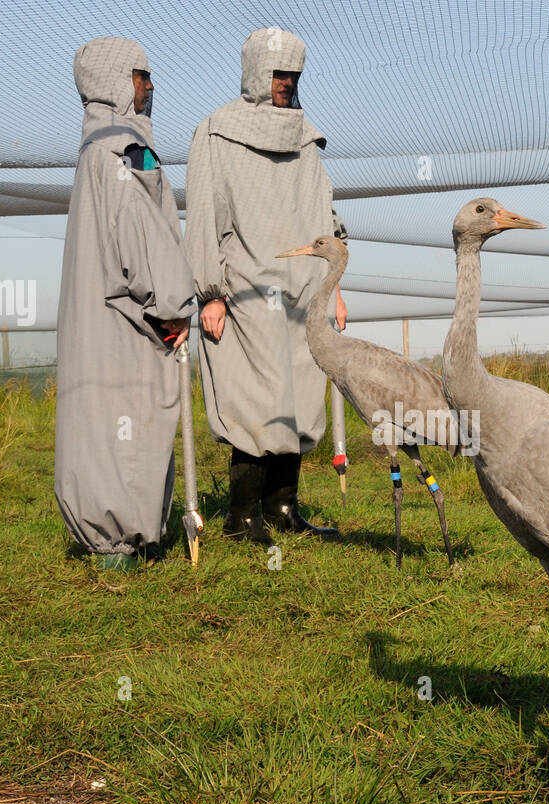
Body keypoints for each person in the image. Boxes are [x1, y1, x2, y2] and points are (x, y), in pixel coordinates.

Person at [185, 27, 347, 545]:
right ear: (256, 73)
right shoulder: (216, 131)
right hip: (246, 286)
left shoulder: (306, 138)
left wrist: (334, 285)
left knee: (299, 395)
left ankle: (283, 508)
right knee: (255, 395)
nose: (286, 83)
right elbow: (204, 215)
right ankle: (241, 517)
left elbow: (325, 212)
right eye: (278, 73)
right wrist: (210, 292)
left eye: (293, 75)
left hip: (306, 287)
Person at [55, 37, 197, 570]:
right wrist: (175, 304)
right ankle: (124, 545)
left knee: (100, 421)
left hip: (99, 320)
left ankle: (114, 540)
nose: (151, 86)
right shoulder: (125, 151)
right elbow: (140, 234)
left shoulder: (93, 150)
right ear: (117, 83)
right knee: (129, 417)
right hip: (127, 324)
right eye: (141, 76)